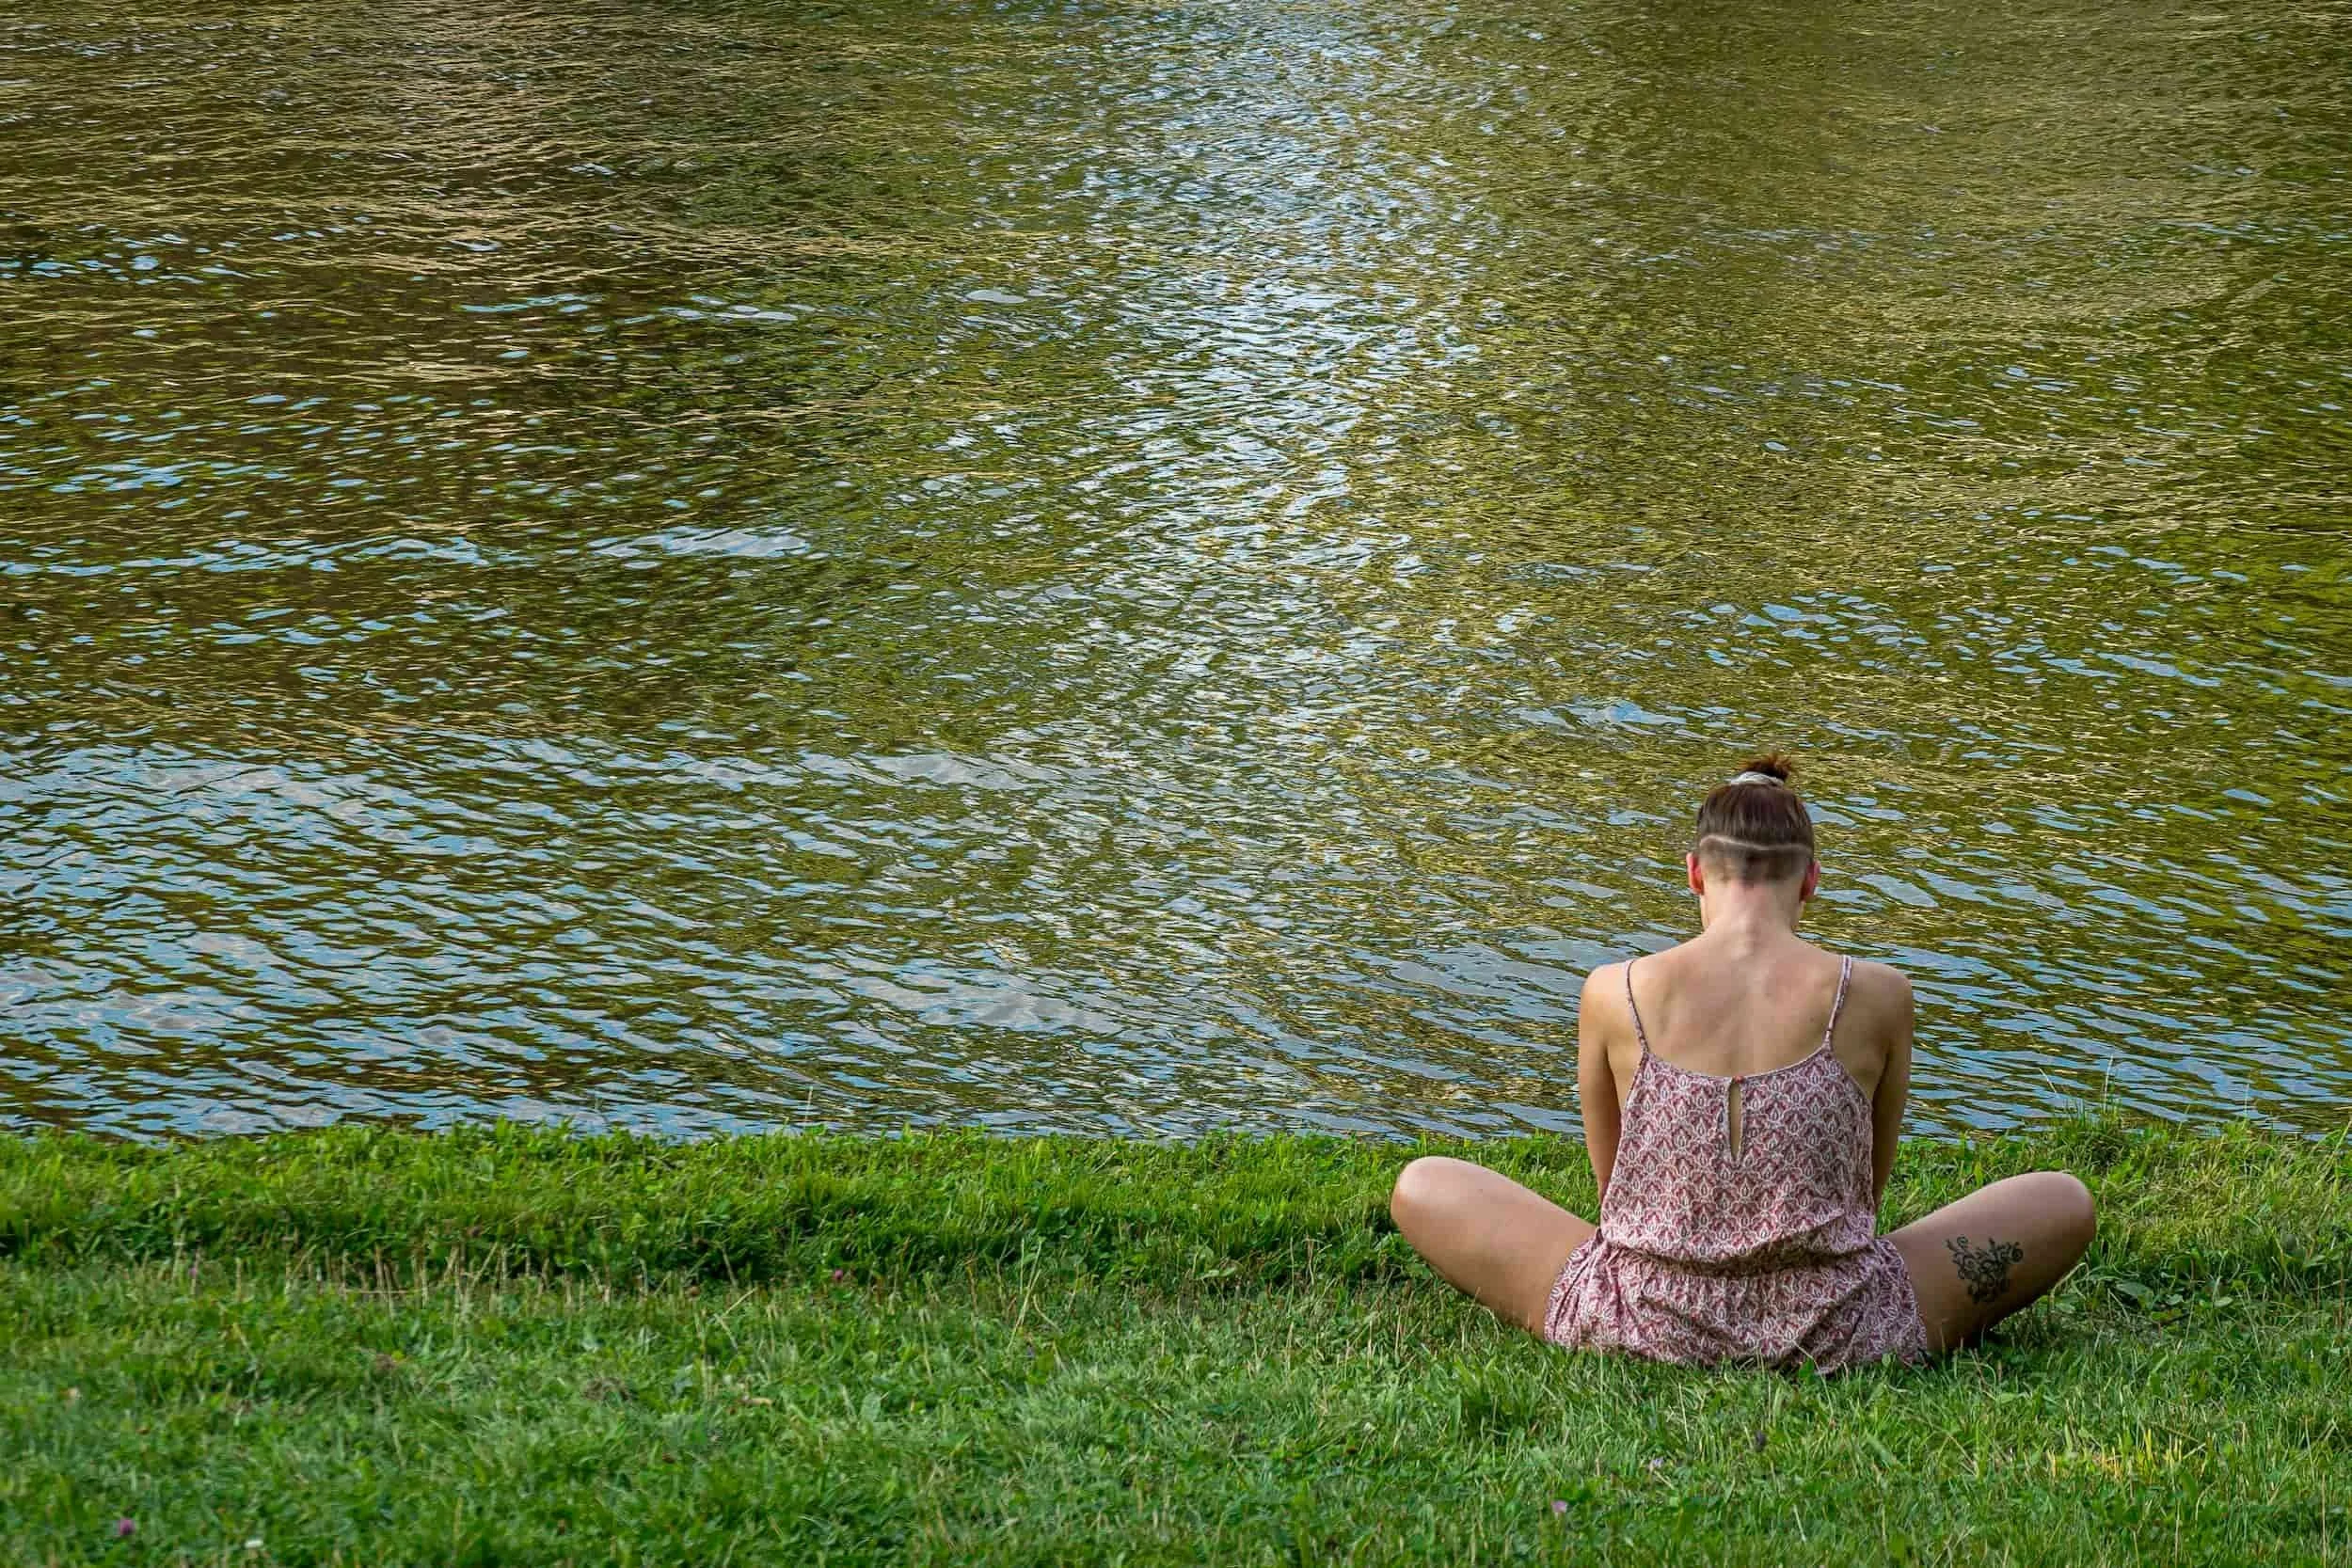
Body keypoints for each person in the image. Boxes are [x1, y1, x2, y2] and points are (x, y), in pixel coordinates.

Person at [1389, 754, 2095, 1371]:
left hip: (1637, 1315)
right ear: (1811, 880)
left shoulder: (1613, 990)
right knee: (2065, 1200)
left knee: (1423, 1184)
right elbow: (1866, 1198)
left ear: (1695, 872)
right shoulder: (1879, 994)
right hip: (1841, 1324)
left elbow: (1615, 1200)